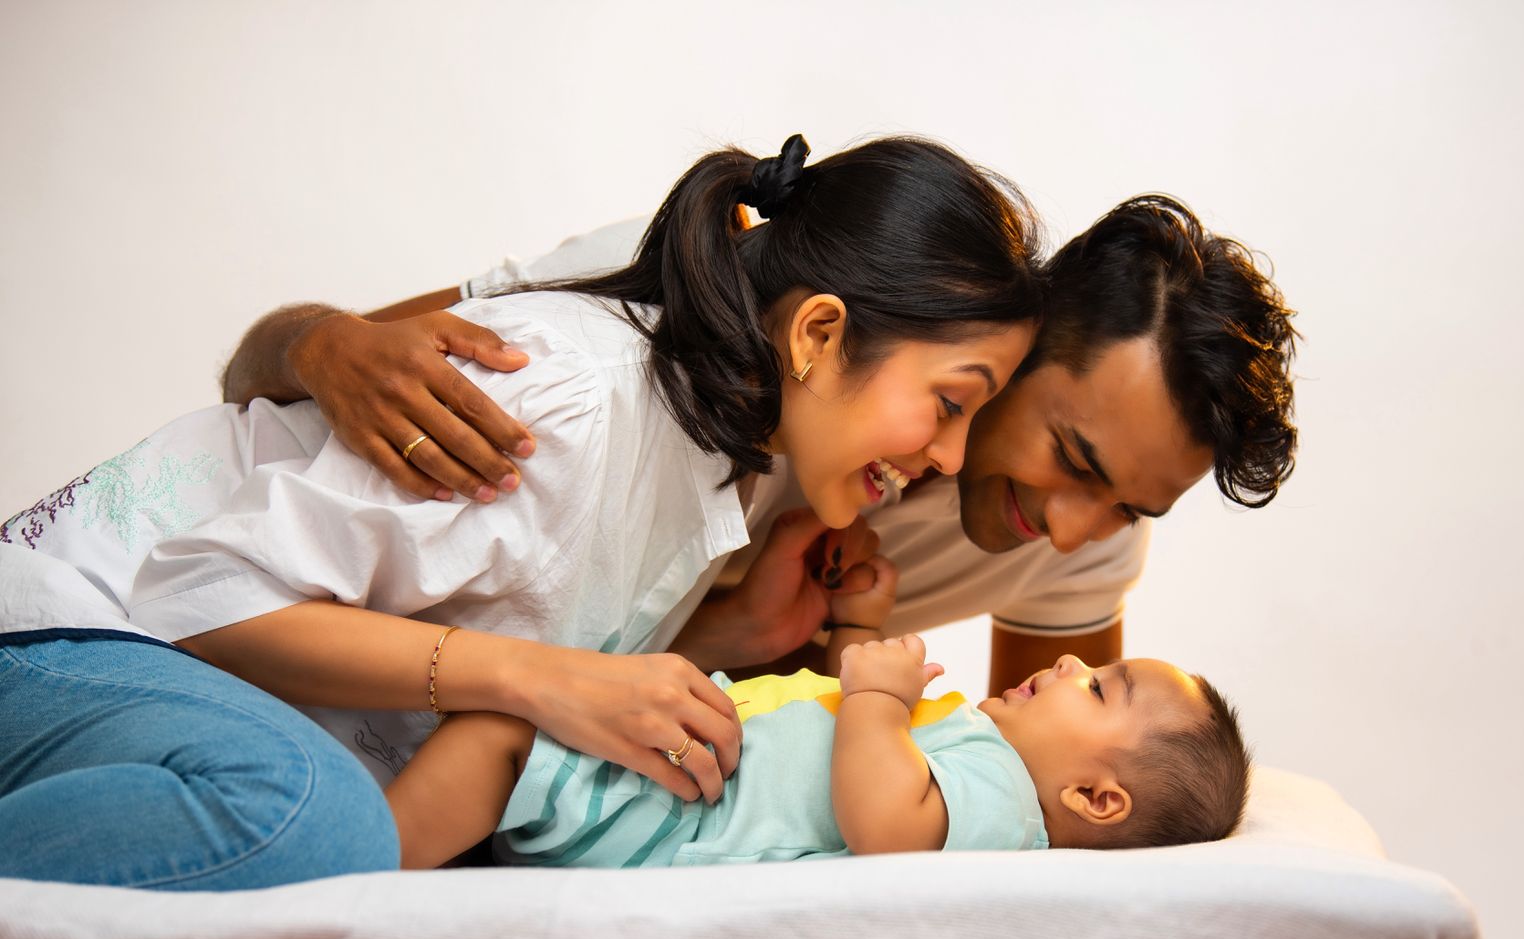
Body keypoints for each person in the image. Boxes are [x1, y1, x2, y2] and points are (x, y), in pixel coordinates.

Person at [1, 134, 1043, 886]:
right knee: (311, 817)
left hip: (164, 691)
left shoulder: (722, 461)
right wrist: (541, 679)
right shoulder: (573, 391)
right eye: (949, 405)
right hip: (72, 627)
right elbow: (201, 594)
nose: (948, 457)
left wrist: (734, 636)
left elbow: (502, 612)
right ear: (818, 334)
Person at [223, 195, 1300, 695]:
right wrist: (317, 343)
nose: (1070, 533)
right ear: (1014, 347)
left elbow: (1046, 762)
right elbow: (264, 382)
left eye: (1129, 508)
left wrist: (756, 639)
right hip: (267, 623)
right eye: (1076, 461)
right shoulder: (711, 314)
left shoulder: (1088, 550)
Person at [384, 560, 1250, 868]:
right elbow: (841, 730)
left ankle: (354, 870)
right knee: (503, 736)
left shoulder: (1005, 805)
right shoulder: (973, 753)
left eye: (1098, 687)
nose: (1068, 661)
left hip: (670, 814)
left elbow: (881, 822)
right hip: (678, 775)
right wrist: (861, 633)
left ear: (1097, 799)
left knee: (498, 735)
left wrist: (878, 697)